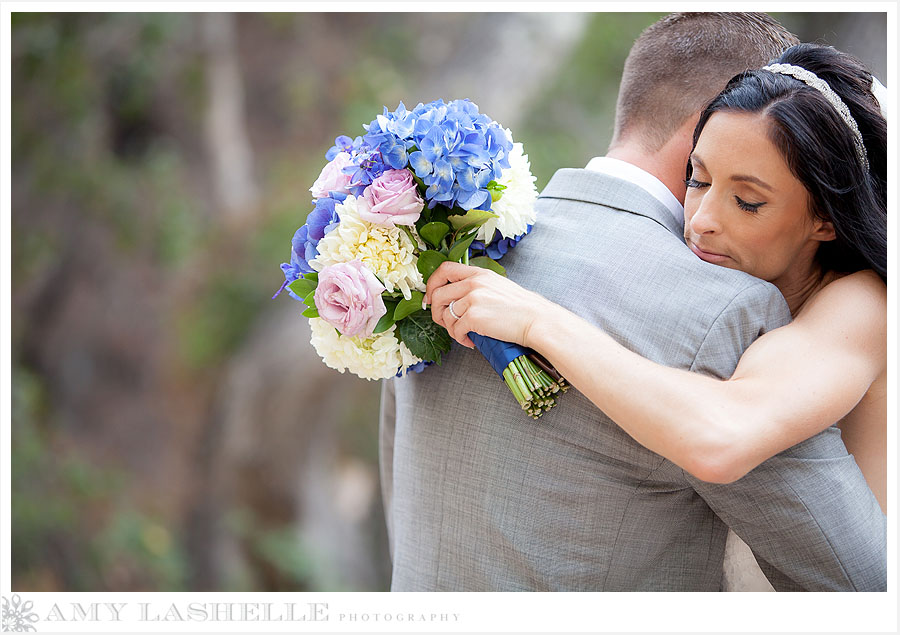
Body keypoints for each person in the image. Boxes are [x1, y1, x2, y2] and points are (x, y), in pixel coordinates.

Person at [380, 13, 887, 591]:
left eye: (747, 200)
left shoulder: (450, 252)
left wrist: (540, 321)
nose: (699, 221)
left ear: (825, 215)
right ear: (704, 130)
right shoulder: (457, 265)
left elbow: (868, 585)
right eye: (697, 178)